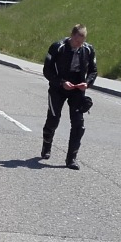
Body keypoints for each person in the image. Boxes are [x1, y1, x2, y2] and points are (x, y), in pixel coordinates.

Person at [41, 24, 98, 170]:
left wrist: (87, 83)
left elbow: (93, 71)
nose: (79, 44)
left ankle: (71, 158)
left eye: (82, 42)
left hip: (77, 89)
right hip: (58, 88)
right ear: (72, 36)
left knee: (78, 124)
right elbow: (47, 70)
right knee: (53, 119)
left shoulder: (88, 49)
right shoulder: (57, 47)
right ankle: (47, 144)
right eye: (77, 41)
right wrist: (61, 82)